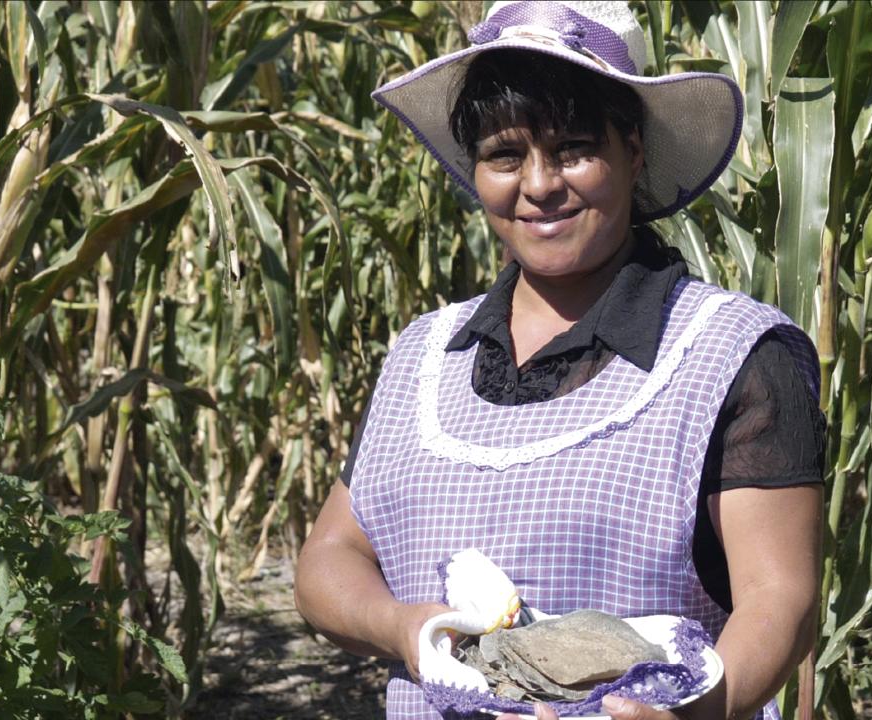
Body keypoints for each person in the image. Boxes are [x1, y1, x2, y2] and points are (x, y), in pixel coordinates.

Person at [293, 2, 824, 719]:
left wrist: (694, 711)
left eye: (574, 148)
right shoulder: (425, 354)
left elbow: (781, 596)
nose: (539, 184)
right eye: (505, 156)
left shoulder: (729, 353)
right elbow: (329, 559)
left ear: (632, 151)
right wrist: (405, 627)